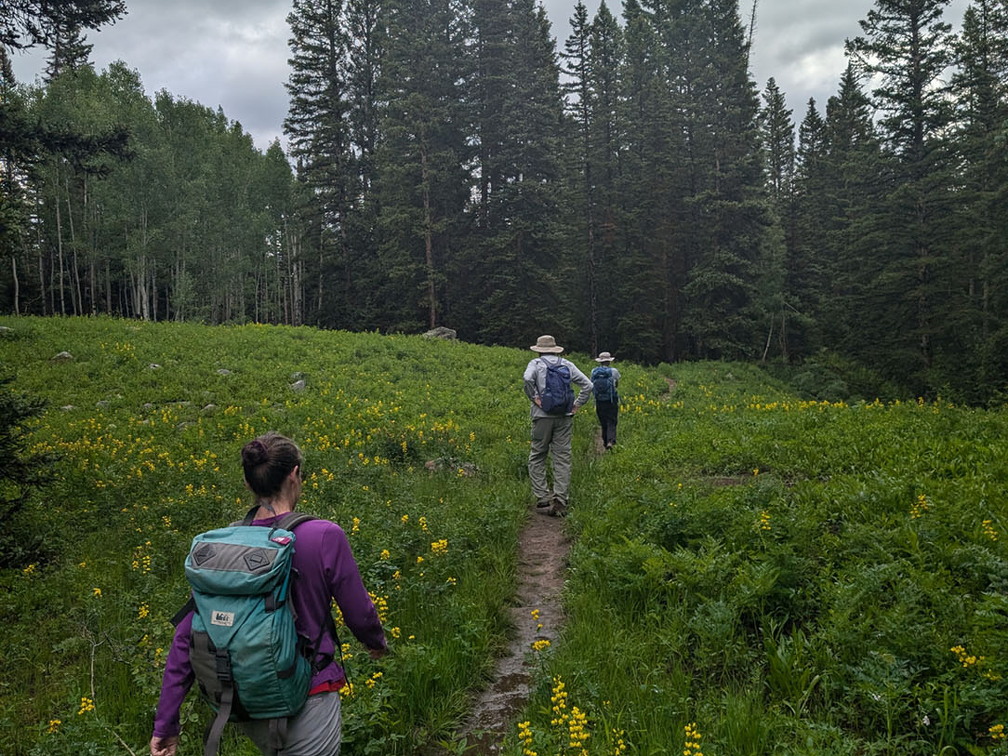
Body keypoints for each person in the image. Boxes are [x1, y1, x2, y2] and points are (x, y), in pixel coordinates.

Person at [150, 431, 387, 756]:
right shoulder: (323, 536)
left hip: (246, 699)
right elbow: (359, 613)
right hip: (308, 695)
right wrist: (375, 642)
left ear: (249, 485)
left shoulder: (224, 547)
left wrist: (166, 723)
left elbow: (186, 635)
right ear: (294, 475)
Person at [523, 335, 593, 516]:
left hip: (542, 416)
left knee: (538, 454)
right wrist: (577, 404)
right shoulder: (567, 364)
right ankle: (561, 499)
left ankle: (542, 496)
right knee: (562, 457)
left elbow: (527, 378)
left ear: (538, 349)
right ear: (555, 349)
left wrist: (534, 398)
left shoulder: (535, 364)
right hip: (564, 416)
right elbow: (588, 385)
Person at [591, 351, 621, 450]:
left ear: (600, 361)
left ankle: (604, 442)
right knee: (612, 421)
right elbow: (616, 385)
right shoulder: (614, 371)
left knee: (603, 422)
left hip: (599, 400)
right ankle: (610, 441)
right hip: (611, 400)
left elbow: (591, 384)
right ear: (609, 361)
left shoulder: (594, 371)